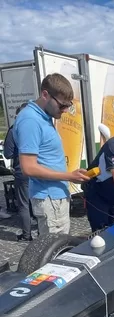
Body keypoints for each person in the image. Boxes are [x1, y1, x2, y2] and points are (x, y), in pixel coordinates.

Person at [13, 73, 90, 236]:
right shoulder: (30, 120)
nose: (66, 110)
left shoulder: (43, 117)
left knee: (60, 250)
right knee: (54, 254)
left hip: (55, 197)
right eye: (62, 105)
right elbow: (28, 167)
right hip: (49, 198)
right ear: (45, 94)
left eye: (68, 105)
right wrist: (69, 176)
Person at [3, 102, 34, 240]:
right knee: (38, 201)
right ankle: (43, 233)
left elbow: (8, 154)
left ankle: (27, 235)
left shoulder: (14, 129)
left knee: (23, 204)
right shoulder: (37, 128)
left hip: (22, 170)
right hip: (39, 169)